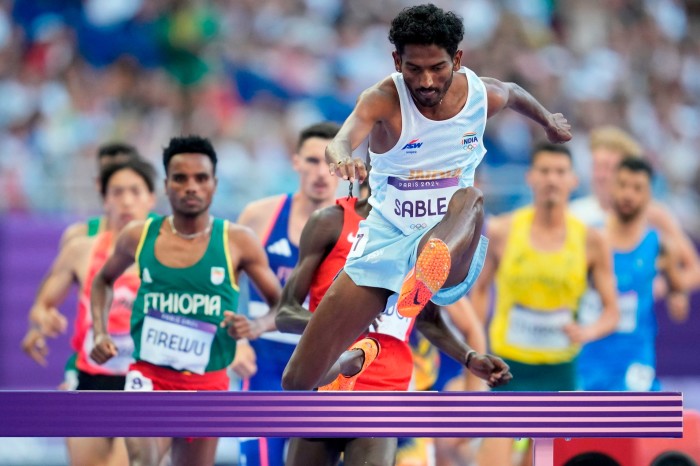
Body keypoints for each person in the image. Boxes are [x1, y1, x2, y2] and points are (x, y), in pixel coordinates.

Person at [282, 3, 569, 392]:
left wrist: (548, 121)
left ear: (458, 59)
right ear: (397, 61)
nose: (427, 81)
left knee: (471, 197)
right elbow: (341, 139)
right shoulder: (382, 98)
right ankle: (357, 358)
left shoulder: (479, 95)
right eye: (414, 69)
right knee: (297, 380)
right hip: (386, 239)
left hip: (450, 242)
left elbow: (516, 93)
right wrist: (341, 158)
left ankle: (420, 281)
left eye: (438, 68)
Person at [275, 180, 507, 466]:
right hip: (325, 385)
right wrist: (341, 325)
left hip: (383, 392)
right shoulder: (331, 223)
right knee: (295, 382)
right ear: (370, 169)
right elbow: (285, 313)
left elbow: (429, 320)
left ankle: (356, 358)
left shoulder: (426, 239)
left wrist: (469, 357)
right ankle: (348, 360)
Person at [89, 136, 282, 466]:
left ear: (214, 184)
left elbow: (283, 305)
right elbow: (102, 281)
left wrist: (256, 324)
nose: (191, 186)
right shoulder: (138, 235)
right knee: (142, 462)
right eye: (180, 178)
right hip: (148, 377)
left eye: (201, 178)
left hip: (208, 385)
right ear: (166, 185)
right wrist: (100, 332)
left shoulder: (237, 241)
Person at [471, 143, 619, 466]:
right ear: (530, 177)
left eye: (560, 172)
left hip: (559, 373)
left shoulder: (592, 240)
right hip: (507, 368)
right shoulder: (502, 230)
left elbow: (612, 311)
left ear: (573, 181)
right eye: (545, 171)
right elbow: (479, 291)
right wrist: (477, 344)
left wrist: (588, 330)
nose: (552, 179)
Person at [22, 158, 157, 466]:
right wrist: (43, 321)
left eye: (135, 192)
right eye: (117, 192)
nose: (126, 201)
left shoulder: (171, 253)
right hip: (91, 380)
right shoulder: (82, 249)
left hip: (142, 382)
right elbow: (42, 305)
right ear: (104, 199)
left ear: (151, 198)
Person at [232, 122, 341, 466]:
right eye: (312, 161)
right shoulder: (259, 215)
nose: (321, 173)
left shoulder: (358, 226)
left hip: (327, 369)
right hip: (264, 366)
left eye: (330, 162)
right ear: (295, 162)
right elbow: (223, 285)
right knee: (261, 460)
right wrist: (233, 344)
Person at [22, 143, 142, 375]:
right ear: (101, 186)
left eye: (133, 187)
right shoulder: (80, 238)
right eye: (114, 183)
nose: (126, 198)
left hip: (146, 372)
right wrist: (40, 325)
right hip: (91, 366)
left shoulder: (163, 237)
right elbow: (43, 303)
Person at [577, 158, 688, 391]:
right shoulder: (588, 239)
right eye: (623, 185)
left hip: (635, 360)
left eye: (637, 188)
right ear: (612, 188)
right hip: (587, 357)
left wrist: (677, 297)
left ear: (649, 195)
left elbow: (677, 287)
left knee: (639, 423)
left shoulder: (660, 245)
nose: (629, 194)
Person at [569, 126, 700, 293]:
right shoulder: (575, 213)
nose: (601, 175)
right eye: (597, 166)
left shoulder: (653, 214)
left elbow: (694, 271)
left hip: (639, 315)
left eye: (609, 167)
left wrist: (662, 288)